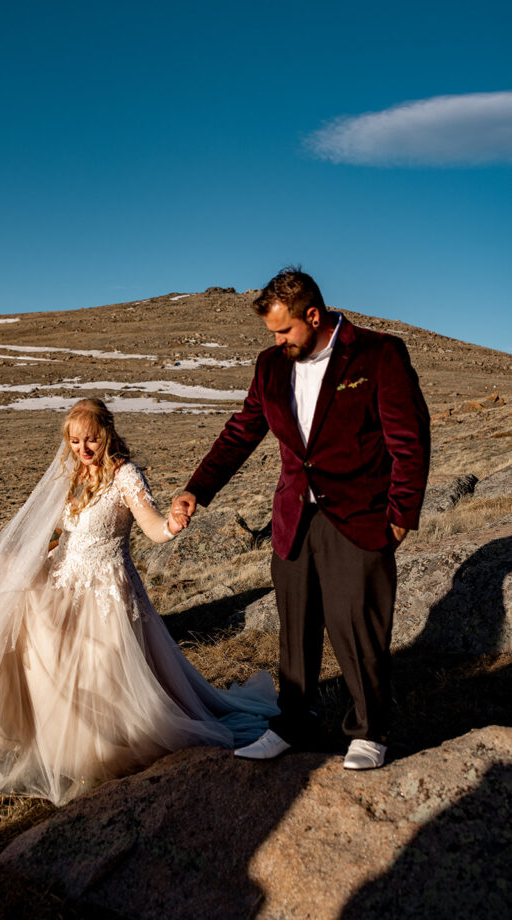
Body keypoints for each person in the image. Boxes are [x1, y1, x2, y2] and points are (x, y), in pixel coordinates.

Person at [0, 398, 277, 805]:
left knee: (101, 672)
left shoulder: (126, 476)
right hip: (63, 579)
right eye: (75, 440)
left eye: (91, 439)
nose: (83, 448)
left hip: (105, 591)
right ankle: (57, 748)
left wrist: (171, 526)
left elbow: (150, 526)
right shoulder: (74, 475)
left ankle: (101, 752)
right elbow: (62, 532)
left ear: (107, 434)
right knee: (40, 656)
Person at [173, 268, 430, 770]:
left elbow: (410, 442)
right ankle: (293, 723)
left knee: (356, 623)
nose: (277, 340)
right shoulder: (270, 365)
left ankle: (369, 731)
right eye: (271, 333)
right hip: (294, 515)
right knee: (296, 625)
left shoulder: (379, 354)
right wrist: (196, 490)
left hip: (360, 516)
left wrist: (400, 517)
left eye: (284, 330)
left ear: (313, 315)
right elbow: (241, 432)